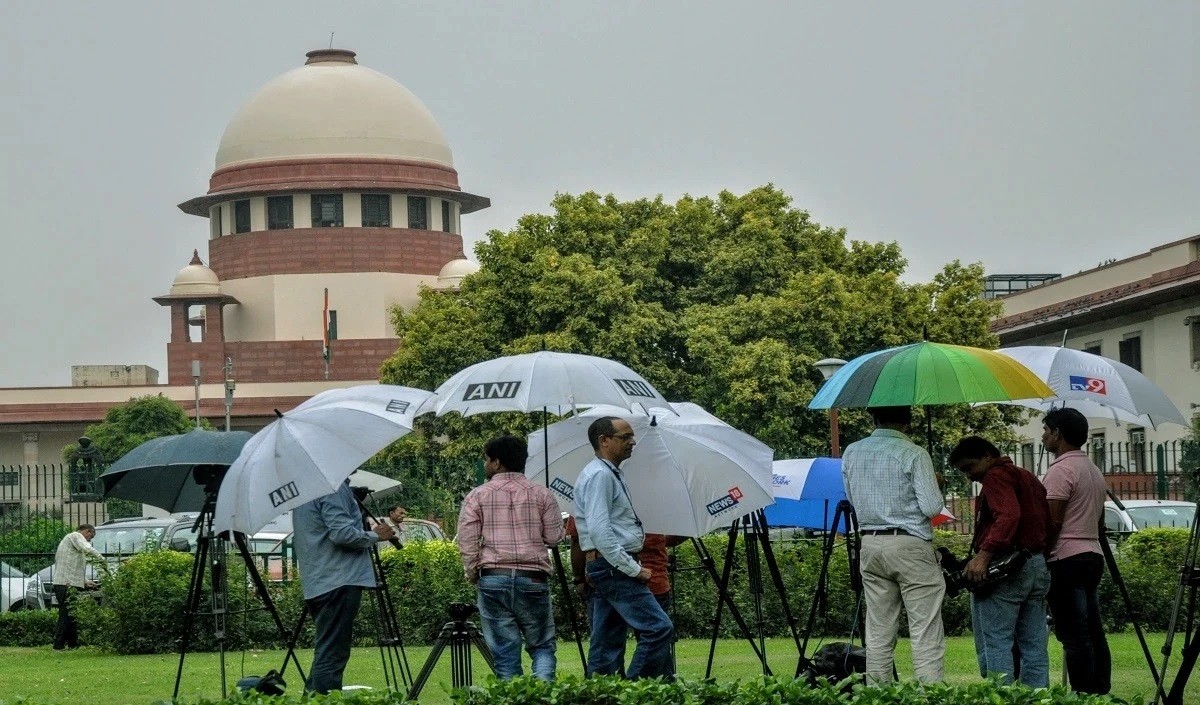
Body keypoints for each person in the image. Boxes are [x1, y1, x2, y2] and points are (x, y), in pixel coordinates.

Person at [841, 405, 946, 683]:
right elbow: (932, 506)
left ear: (873, 418)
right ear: (907, 422)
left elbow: (852, 499)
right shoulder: (914, 453)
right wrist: (936, 485)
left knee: (878, 630)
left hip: (871, 543)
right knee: (925, 629)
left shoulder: (852, 451)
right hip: (910, 543)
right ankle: (930, 695)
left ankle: (879, 694)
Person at [456, 435, 564, 680]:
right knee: (542, 646)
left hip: (493, 578)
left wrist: (472, 573)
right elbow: (555, 538)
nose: (485, 464)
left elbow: (468, 541)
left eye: (486, 459)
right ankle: (545, 697)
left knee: (505, 654)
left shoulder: (477, 495)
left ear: (496, 462)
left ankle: (511, 698)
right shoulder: (542, 494)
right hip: (533, 578)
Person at [574, 416, 674, 679]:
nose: (632, 442)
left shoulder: (606, 473)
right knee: (658, 627)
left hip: (606, 565)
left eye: (632, 437)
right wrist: (632, 568)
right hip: (613, 566)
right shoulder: (600, 475)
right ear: (604, 441)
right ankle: (635, 690)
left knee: (606, 642)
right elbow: (599, 530)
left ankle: (600, 695)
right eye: (625, 437)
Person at [949, 435, 1052, 687]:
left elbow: (1008, 516)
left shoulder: (995, 476)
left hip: (1008, 569)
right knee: (1034, 645)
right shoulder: (1027, 476)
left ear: (987, 456)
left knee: (996, 642)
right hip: (1036, 564)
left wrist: (983, 556)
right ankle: (1038, 699)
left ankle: (1002, 696)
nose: (969, 476)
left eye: (969, 468)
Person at [293, 479, 395, 694]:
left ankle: (312, 697)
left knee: (328, 650)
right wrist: (376, 535)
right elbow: (341, 534)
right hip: (339, 579)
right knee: (332, 654)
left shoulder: (306, 489)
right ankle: (323, 699)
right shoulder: (333, 487)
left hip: (319, 580)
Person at [1041, 408, 1112, 694]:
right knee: (1093, 630)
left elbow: (1053, 521)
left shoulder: (1060, 470)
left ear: (1058, 434)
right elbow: (1099, 521)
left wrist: (1040, 552)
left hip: (1065, 557)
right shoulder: (1092, 470)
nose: (1044, 436)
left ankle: (1083, 693)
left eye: (1046, 430)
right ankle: (1099, 690)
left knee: (1073, 634)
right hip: (1092, 554)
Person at [568, 519, 685, 677]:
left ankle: (605, 692)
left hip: (609, 571)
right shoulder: (653, 500)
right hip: (651, 576)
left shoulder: (596, 501)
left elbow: (577, 538)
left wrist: (579, 579)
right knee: (658, 647)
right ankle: (654, 691)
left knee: (607, 642)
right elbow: (678, 534)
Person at [52, 523, 103, 650]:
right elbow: (87, 548)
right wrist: (101, 559)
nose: (90, 540)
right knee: (66, 614)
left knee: (71, 615)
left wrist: (85, 581)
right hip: (66, 583)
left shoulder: (69, 542)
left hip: (64, 582)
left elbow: (71, 566)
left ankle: (72, 644)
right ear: (89, 532)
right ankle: (58, 645)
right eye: (91, 537)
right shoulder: (75, 536)